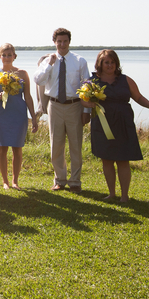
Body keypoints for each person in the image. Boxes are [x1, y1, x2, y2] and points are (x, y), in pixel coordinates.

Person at [80, 50, 149, 202]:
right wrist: (88, 104)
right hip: (102, 123)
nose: (110, 65)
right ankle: (111, 193)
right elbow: (83, 99)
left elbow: (138, 97)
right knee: (107, 159)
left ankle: (124, 195)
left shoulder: (126, 80)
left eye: (112, 62)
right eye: (106, 62)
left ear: (117, 63)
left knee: (123, 159)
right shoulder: (91, 81)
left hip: (123, 123)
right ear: (100, 64)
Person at [34, 28, 91, 193]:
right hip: (55, 106)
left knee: (76, 145)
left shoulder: (79, 61)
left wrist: (86, 111)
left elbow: (86, 85)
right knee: (56, 145)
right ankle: (59, 179)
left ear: (69, 42)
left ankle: (75, 181)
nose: (62, 44)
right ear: (54, 42)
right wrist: (50, 65)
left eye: (65, 41)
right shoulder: (47, 61)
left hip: (75, 105)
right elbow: (38, 79)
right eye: (59, 41)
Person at [0, 43, 38, 190]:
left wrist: (34, 118)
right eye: (3, 55)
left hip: (18, 113)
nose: (6, 57)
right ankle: (5, 181)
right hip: (1, 114)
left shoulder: (22, 74)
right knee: (2, 147)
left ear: (14, 56)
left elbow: (28, 97)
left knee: (17, 147)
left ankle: (15, 181)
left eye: (9, 54)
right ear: (0, 56)